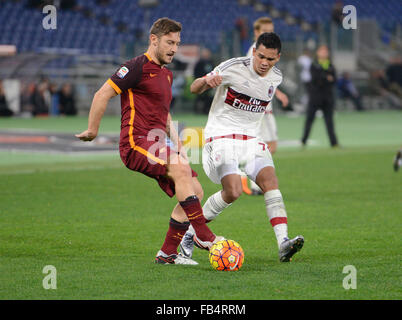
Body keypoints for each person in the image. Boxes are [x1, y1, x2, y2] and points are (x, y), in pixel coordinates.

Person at [76, 18, 223, 265]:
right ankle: (205, 236)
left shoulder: (165, 75)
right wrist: (92, 129)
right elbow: (102, 94)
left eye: (177, 43)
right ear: (153, 39)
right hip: (134, 143)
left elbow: (164, 114)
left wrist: (179, 147)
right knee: (180, 170)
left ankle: (167, 254)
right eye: (169, 42)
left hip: (156, 143)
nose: (174, 48)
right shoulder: (135, 67)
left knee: (194, 190)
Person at [180, 32, 304, 263]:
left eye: (271, 59)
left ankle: (283, 243)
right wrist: (207, 81)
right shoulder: (232, 67)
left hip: (251, 140)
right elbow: (194, 88)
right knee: (234, 191)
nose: (265, 63)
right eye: (261, 57)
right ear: (254, 51)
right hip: (221, 137)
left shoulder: (275, 77)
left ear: (279, 58)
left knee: (270, 182)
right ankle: (190, 233)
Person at [242, 17, 289, 195]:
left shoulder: (267, 51)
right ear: (256, 32)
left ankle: (252, 178)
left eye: (271, 30)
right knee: (266, 146)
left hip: (264, 106)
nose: (269, 34)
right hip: (259, 108)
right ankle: (253, 180)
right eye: (265, 31)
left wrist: (278, 92)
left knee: (269, 146)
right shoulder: (254, 52)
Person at [301, 45, 339, 148]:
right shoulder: (314, 65)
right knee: (309, 120)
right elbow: (317, 79)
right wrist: (327, 77)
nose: (324, 53)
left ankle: (334, 143)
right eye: (322, 51)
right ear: (318, 53)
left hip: (327, 98)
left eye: (325, 51)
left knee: (329, 122)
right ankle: (303, 141)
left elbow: (334, 79)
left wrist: (325, 77)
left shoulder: (330, 65)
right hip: (315, 98)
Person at [193, 48, 214, 114]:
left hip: (209, 83)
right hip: (201, 82)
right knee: (199, 97)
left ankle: (206, 110)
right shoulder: (199, 62)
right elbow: (195, 72)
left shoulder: (211, 62)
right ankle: (197, 110)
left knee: (208, 98)